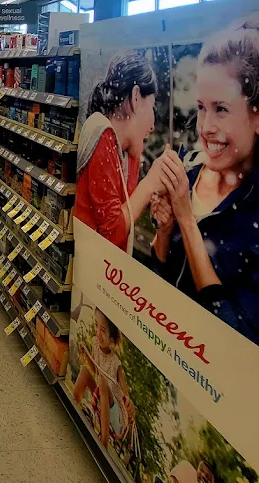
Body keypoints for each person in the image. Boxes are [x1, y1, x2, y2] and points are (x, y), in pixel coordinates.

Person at [153, 20, 259, 344]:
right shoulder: (191, 170)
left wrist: (186, 219)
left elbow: (235, 334)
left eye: (221, 109)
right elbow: (159, 279)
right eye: (201, 108)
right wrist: (164, 230)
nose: (205, 127)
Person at [75, 52, 163, 252]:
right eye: (152, 107)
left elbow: (127, 211)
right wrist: (149, 184)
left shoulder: (124, 152)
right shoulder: (102, 133)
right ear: (136, 98)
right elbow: (113, 232)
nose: (152, 125)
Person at [72, 307, 136, 448]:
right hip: (102, 398)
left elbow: (125, 393)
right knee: (85, 371)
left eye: (103, 330)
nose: (98, 333)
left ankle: (104, 442)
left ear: (111, 340)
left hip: (116, 417)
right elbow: (95, 370)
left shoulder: (116, 363)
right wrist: (86, 355)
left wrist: (130, 405)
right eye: (96, 325)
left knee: (102, 381)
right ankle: (73, 405)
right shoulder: (95, 343)